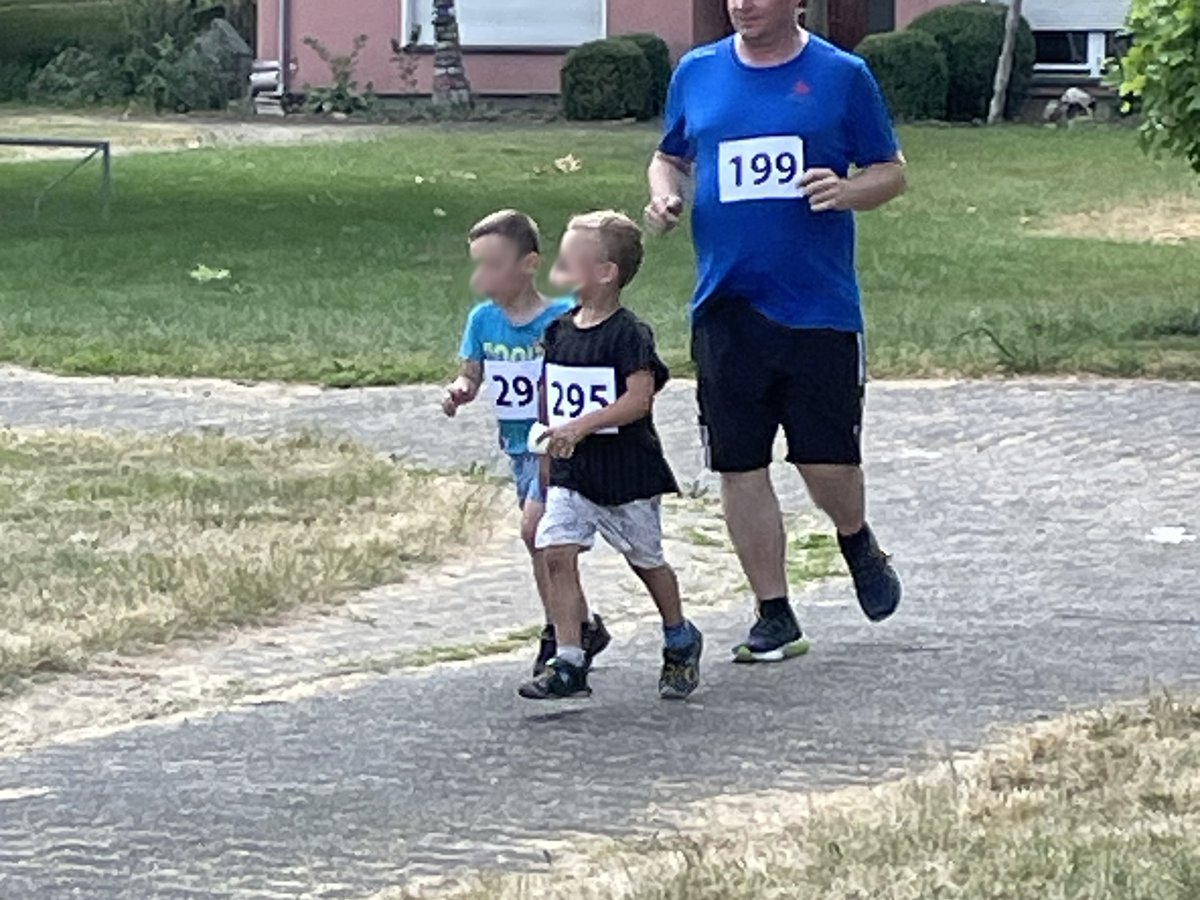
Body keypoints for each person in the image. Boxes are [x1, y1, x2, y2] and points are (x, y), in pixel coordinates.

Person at [644, 0, 906, 664]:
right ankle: (774, 612)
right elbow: (668, 155)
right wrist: (664, 193)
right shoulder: (697, 73)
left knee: (828, 463)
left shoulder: (842, 76)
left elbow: (890, 171)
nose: (741, 4)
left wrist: (849, 192)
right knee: (740, 462)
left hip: (816, 305)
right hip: (727, 302)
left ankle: (855, 538)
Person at [518, 210, 703, 701]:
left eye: (572, 258)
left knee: (645, 560)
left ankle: (679, 637)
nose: (560, 264)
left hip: (626, 473)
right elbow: (550, 395)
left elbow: (638, 398)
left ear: (606, 272)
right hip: (572, 472)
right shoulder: (559, 331)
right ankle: (570, 658)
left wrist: (582, 426)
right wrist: (547, 449)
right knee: (555, 549)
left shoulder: (628, 334)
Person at [443, 209, 611, 675]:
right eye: (479, 265)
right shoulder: (482, 321)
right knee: (544, 542)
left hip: (558, 446)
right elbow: (471, 373)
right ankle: (577, 623)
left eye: (494, 264)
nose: (484, 276)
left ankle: (559, 633)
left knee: (536, 531)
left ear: (529, 264)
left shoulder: (561, 318)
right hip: (519, 449)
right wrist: (460, 391)